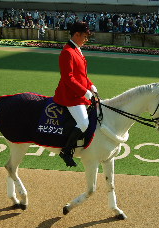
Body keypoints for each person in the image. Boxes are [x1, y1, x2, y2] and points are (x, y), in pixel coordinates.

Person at [53, 21, 97, 167]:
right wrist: (85, 92)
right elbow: (68, 78)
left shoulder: (77, 49)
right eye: (85, 36)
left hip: (79, 92)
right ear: (76, 34)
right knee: (84, 123)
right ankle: (66, 151)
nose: (86, 39)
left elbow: (82, 75)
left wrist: (90, 85)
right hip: (69, 95)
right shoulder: (67, 52)